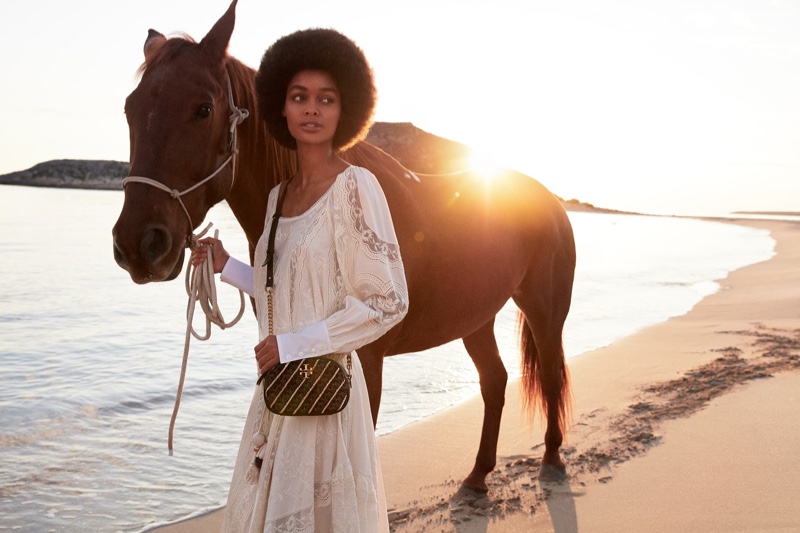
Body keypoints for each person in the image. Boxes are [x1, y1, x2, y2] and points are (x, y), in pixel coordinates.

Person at [190, 29, 408, 532]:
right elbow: (284, 286)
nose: (312, 109)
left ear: (344, 110)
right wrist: (225, 266)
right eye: (299, 97)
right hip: (278, 395)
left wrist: (293, 344)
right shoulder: (277, 197)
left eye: (326, 99)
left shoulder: (356, 188)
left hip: (324, 398)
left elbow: (387, 301)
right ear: (281, 111)